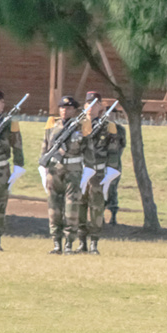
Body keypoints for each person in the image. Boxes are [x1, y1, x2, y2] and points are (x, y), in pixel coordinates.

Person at [41, 96, 91, 255]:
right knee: (53, 209)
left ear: (75, 110)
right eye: (62, 107)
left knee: (71, 209)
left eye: (68, 108)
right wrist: (43, 170)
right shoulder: (52, 125)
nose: (64, 110)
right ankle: (56, 243)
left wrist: (88, 172)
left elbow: (88, 151)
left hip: (73, 171)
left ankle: (69, 243)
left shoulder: (81, 127)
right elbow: (45, 148)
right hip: (55, 171)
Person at [77, 91, 119, 255]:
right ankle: (81, 242)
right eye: (88, 103)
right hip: (80, 171)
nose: (91, 107)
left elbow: (113, 152)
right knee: (80, 207)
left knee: (96, 209)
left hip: (99, 173)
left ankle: (94, 243)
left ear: (100, 107)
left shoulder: (108, 126)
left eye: (95, 104)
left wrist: (111, 172)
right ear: (84, 105)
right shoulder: (77, 124)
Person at [0, 89, 24, 251]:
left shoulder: (9, 123)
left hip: (1, 168)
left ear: (2, 103)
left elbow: (17, 146)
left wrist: (18, 166)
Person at [105, 121, 127, 225]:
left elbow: (122, 146)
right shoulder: (102, 127)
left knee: (112, 189)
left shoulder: (120, 129)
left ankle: (113, 215)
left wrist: (116, 159)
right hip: (101, 162)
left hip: (114, 164)